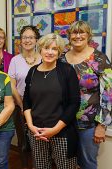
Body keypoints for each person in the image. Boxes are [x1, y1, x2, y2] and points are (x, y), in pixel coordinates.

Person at [23, 33, 80, 169]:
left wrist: (55, 129)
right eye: (46, 48)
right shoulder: (32, 72)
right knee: (40, 167)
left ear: (59, 52)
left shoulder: (67, 71)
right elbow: (26, 101)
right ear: (40, 49)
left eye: (54, 49)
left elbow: (74, 104)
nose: (49, 52)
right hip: (37, 132)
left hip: (61, 132)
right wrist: (31, 126)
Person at [61, 21, 112, 169]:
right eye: (74, 32)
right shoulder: (62, 58)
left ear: (88, 35)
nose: (77, 36)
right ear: (69, 36)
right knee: (66, 162)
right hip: (63, 121)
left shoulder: (99, 58)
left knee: (87, 163)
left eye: (81, 32)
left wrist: (102, 125)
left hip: (89, 123)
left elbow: (109, 94)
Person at [7, 25, 41, 169]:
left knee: (39, 141)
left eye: (31, 37)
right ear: (20, 41)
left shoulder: (44, 57)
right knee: (23, 143)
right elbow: (12, 85)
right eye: (24, 37)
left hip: (41, 107)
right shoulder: (15, 60)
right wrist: (22, 105)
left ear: (37, 40)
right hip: (19, 107)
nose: (27, 40)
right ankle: (26, 166)